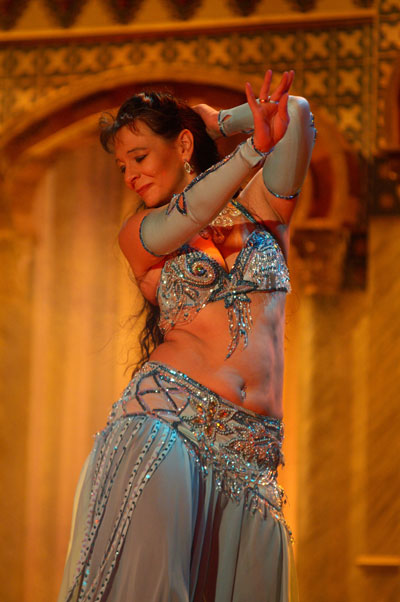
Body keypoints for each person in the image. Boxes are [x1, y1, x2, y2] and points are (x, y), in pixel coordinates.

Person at [58, 69, 316, 602]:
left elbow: (296, 112)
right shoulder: (142, 234)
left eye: (139, 157)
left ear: (181, 146)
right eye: (122, 166)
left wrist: (219, 123)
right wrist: (250, 151)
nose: (130, 175)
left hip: (253, 453)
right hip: (167, 424)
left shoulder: (263, 212)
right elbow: (193, 210)